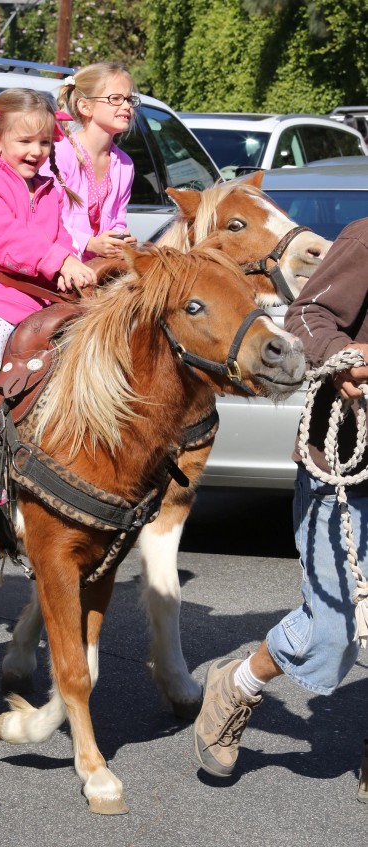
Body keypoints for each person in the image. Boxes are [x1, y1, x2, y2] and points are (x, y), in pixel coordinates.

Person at [193, 217, 368, 779]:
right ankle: (237, 684)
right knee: (332, 627)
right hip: (344, 462)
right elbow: (309, 315)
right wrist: (344, 358)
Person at [0, 89, 97, 509]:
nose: (36, 151)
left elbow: (58, 236)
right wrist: (57, 259)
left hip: (35, 297)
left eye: (44, 142)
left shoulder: (47, 187)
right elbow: (4, 238)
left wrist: (71, 263)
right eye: (25, 142)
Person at [39, 62, 138, 261]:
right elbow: (46, 221)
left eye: (129, 99)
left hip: (95, 273)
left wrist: (119, 240)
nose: (127, 106)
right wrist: (89, 243)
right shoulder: (59, 154)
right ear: (85, 106)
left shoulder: (125, 165)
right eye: (116, 99)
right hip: (58, 270)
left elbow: (118, 220)